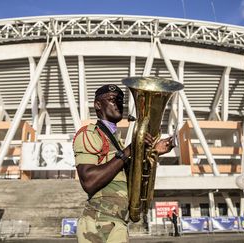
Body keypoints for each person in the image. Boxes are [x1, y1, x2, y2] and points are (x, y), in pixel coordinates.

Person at [73, 84, 175, 243]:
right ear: (97, 105)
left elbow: (132, 178)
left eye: (121, 100)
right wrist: (128, 151)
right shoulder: (89, 133)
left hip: (119, 222)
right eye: (112, 99)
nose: (118, 103)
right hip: (97, 223)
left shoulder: (118, 142)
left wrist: (154, 152)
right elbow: (89, 181)